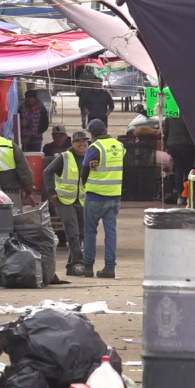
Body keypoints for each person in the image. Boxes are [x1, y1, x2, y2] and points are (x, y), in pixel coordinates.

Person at [80, 119, 125, 278]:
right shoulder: (119, 146)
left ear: (92, 134)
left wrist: (83, 186)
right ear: (106, 130)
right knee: (111, 233)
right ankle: (110, 268)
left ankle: (88, 267)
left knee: (90, 232)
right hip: (114, 196)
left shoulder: (94, 148)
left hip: (95, 196)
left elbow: (84, 171)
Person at [44, 129, 89, 276]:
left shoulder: (89, 157)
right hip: (65, 201)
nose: (82, 144)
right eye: (79, 141)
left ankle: (71, 267)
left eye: (84, 141)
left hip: (81, 200)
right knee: (73, 233)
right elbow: (47, 172)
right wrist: (52, 193)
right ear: (73, 143)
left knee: (81, 234)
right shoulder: (64, 157)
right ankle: (78, 262)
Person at [163, 114, 195, 206]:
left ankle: (180, 196)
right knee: (189, 171)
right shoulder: (188, 114)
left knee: (178, 170)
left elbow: (165, 131)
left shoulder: (170, 115)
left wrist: (166, 145)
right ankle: (189, 195)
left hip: (173, 145)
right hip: (187, 144)